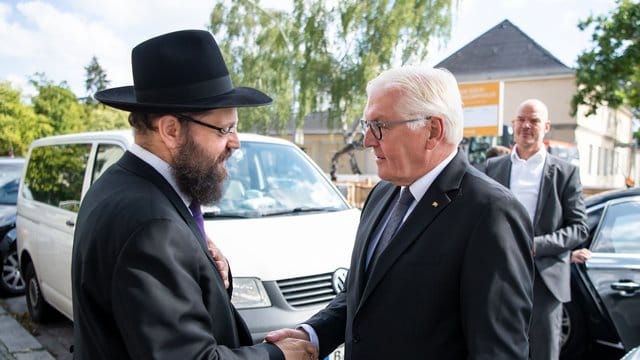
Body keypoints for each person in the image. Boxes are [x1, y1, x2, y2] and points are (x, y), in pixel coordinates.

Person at [71, 30, 317, 360]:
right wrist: (279, 356)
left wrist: (212, 276)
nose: (236, 142)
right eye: (224, 129)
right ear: (171, 130)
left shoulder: (121, 184)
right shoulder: (152, 226)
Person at [266, 66, 534, 359]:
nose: (368, 140)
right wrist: (313, 334)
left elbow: (498, 351)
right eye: (366, 125)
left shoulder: (491, 212)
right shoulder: (383, 193)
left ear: (432, 131)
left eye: (380, 125)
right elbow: (364, 295)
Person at [484, 99, 589, 360]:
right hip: (499, 276)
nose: (527, 126)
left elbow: (578, 228)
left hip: (545, 280)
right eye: (521, 119)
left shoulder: (565, 173)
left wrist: (535, 245)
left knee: (543, 352)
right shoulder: (492, 168)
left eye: (534, 120)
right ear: (513, 124)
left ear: (547, 126)